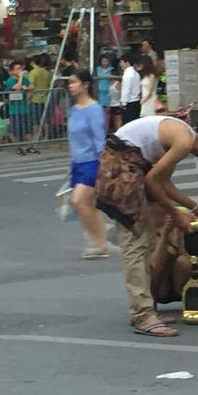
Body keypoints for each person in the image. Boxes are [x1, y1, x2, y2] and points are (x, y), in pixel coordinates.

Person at [96, 115, 198, 337]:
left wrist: (194, 208)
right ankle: (143, 314)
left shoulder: (183, 137)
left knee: (146, 243)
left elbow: (164, 182)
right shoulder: (184, 141)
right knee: (135, 244)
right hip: (121, 169)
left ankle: (145, 308)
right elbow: (154, 180)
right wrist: (176, 213)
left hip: (129, 168)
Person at [67, 69, 109, 260]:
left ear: (85, 85)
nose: (71, 86)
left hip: (92, 162)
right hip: (77, 162)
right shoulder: (74, 110)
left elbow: (99, 139)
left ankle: (95, 239)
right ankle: (100, 242)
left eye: (74, 82)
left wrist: (102, 165)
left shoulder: (94, 110)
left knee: (78, 201)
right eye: (69, 83)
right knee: (89, 205)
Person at [5, 60, 34, 154]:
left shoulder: (25, 79)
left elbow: (32, 87)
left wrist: (27, 88)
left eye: (21, 69)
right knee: (15, 130)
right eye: (17, 69)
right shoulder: (10, 81)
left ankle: (31, 146)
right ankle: (18, 147)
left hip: (24, 108)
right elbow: (16, 88)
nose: (19, 71)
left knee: (28, 129)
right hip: (14, 110)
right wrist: (21, 77)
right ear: (12, 71)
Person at [28, 54, 51, 142]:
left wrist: (28, 97)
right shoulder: (46, 72)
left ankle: (36, 137)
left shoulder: (33, 72)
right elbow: (49, 84)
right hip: (45, 97)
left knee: (35, 120)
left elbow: (32, 86)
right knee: (45, 119)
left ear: (33, 63)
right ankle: (46, 136)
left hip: (35, 98)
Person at [120, 52, 141, 124]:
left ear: (127, 63)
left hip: (129, 104)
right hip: (136, 102)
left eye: (122, 62)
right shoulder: (136, 73)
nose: (121, 64)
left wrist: (123, 103)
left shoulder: (127, 75)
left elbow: (126, 90)